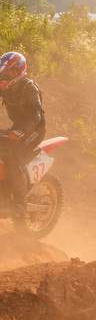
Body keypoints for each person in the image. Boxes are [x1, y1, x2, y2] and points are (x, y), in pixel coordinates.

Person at [0, 52, 45, 216]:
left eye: (7, 72)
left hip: (34, 130)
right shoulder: (5, 87)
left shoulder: (29, 88)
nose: (4, 76)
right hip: (17, 128)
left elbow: (36, 116)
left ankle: (19, 204)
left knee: (13, 156)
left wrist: (22, 132)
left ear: (18, 70)